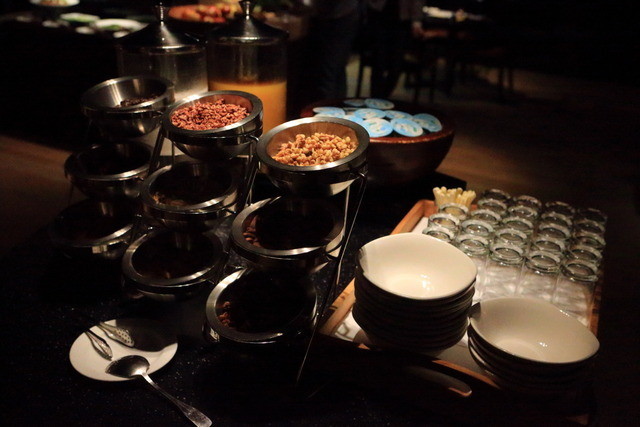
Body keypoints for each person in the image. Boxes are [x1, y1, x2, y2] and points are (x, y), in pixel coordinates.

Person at [364, 0, 424, 98]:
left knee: (396, 65)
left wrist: (416, 21)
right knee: (378, 62)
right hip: (379, 16)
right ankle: (375, 97)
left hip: (401, 21)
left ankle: (383, 97)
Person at [306, 0, 362, 101]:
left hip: (336, 16)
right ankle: (337, 106)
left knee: (327, 74)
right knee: (336, 71)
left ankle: (327, 108)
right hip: (346, 13)